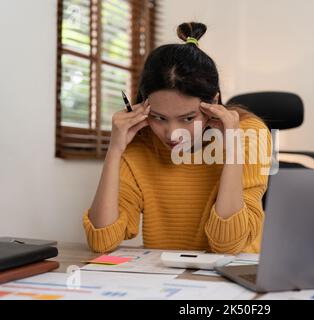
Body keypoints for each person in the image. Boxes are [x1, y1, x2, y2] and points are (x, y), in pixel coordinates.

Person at [82, 22, 271, 254]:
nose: (172, 133)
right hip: (165, 280)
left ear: (212, 102)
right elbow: (101, 242)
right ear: (143, 105)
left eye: (188, 118)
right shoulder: (140, 141)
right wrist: (115, 150)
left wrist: (231, 145)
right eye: (159, 117)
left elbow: (228, 245)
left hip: (233, 277)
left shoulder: (250, 134)